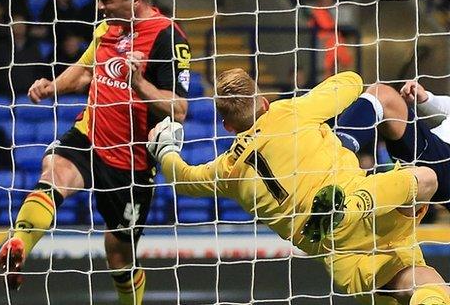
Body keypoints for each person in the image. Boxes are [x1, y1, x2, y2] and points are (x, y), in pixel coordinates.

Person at [147, 70, 450, 305]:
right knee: (426, 179)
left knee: (426, 284)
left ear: (227, 126)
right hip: (369, 207)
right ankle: (347, 206)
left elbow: (184, 178)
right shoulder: (290, 112)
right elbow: (351, 81)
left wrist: (165, 151)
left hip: (341, 254)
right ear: (264, 102)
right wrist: (336, 132)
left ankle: (344, 207)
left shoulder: (227, 171)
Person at [0, 0, 191, 304]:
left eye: (106, 0)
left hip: (130, 162)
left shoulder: (167, 36)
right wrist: (51, 86)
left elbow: (178, 108)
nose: (99, 7)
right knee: (54, 173)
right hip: (89, 133)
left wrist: (138, 82)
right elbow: (86, 70)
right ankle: (19, 244)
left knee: (119, 256)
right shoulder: (108, 28)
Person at [335, 79, 450, 212]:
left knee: (424, 179)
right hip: (437, 149)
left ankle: (352, 209)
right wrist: (427, 99)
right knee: (383, 94)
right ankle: (329, 159)